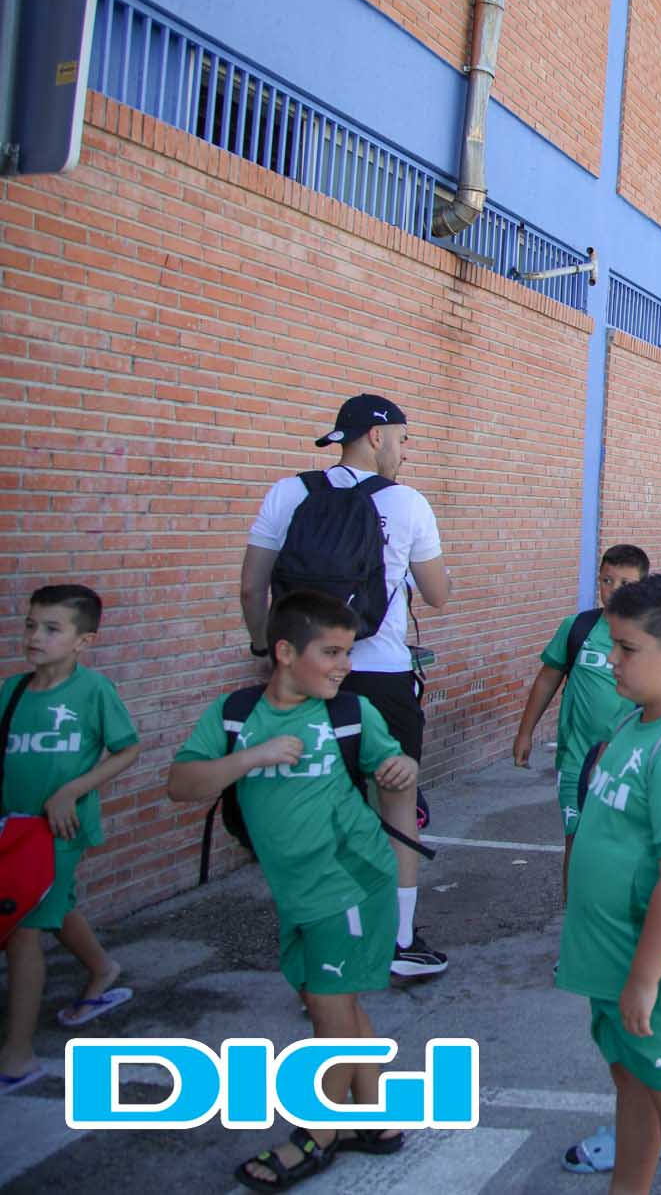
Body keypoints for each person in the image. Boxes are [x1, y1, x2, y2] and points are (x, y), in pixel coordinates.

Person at [169, 591, 422, 1183]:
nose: (344, 666)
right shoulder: (235, 715)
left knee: (329, 1012)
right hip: (297, 890)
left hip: (351, 883)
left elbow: (396, 769)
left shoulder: (351, 713)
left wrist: (404, 768)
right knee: (333, 1003)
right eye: (331, 652)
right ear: (284, 652)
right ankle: (376, 1120)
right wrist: (249, 758)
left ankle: (316, 1133)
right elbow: (182, 783)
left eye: (348, 652)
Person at [241, 394, 450, 978]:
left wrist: (269, 654)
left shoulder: (289, 492)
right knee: (396, 800)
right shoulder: (406, 502)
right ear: (377, 437)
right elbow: (438, 594)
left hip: (303, 677)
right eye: (402, 440)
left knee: (315, 805)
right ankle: (399, 939)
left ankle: (323, 933)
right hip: (381, 675)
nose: (404, 453)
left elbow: (251, 588)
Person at [552, 572, 661, 1195]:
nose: (611, 660)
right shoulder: (635, 722)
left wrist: (646, 979)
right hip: (614, 954)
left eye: (627, 649)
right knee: (632, 1082)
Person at [1, 585, 141, 1093]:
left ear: (84, 640)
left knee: (22, 931)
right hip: (14, 831)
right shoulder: (11, 691)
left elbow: (127, 749)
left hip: (59, 831)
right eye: (30, 625)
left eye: (51, 628)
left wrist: (70, 792)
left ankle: (17, 1056)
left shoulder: (93, 691)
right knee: (53, 906)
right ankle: (103, 968)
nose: (35, 636)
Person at [513, 544, 650, 897]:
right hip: (576, 761)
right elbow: (547, 679)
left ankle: (614, 920)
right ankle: (573, 921)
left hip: (630, 765)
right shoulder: (578, 627)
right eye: (607, 580)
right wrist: (525, 732)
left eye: (625, 583)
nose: (614, 589)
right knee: (577, 842)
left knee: (624, 849)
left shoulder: (654, 637)